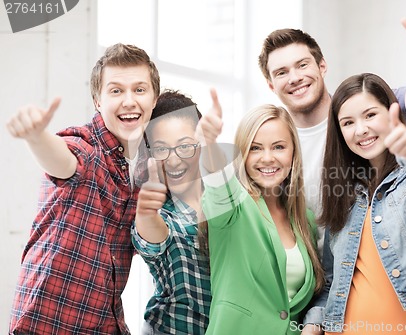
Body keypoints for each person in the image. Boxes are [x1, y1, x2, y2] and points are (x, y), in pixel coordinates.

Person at [5, 43, 160, 335]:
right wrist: (36, 137)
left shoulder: (144, 170)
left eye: (139, 90)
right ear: (97, 101)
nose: (129, 101)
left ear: (154, 99)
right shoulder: (87, 147)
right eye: (116, 91)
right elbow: (65, 159)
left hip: (104, 321)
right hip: (47, 324)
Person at [258, 19, 406, 225]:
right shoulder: (273, 145)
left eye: (302, 65)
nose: (294, 78)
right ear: (271, 85)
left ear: (322, 66)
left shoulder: (367, 113)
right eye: (281, 73)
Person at [303, 73, 406, 334]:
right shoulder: (342, 195)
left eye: (370, 115)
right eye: (348, 122)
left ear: (391, 114)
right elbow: (331, 282)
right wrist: (312, 324)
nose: (361, 129)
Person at [197, 101, 324, 335]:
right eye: (255, 148)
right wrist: (210, 145)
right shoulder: (234, 205)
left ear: (293, 152)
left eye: (278, 147)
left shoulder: (304, 220)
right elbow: (218, 186)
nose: (267, 158)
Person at [132, 89, 211, 335]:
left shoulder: (225, 197)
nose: (174, 160)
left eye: (185, 146)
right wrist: (146, 214)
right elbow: (152, 239)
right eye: (161, 149)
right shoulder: (163, 214)